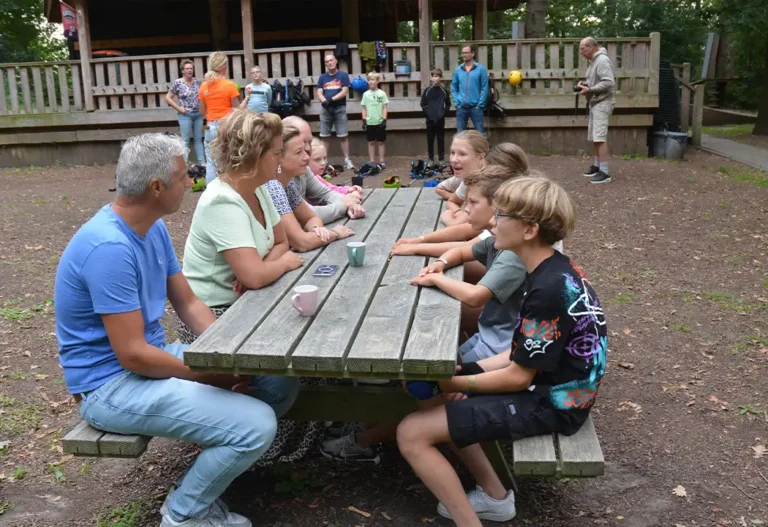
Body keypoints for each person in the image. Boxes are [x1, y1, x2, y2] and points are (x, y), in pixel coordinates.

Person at [55, 133, 298, 527]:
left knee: (277, 381)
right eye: (184, 176)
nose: (190, 182)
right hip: (110, 387)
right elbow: (132, 354)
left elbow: (188, 303)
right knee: (257, 424)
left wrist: (228, 354)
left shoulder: (152, 229)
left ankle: (220, 456)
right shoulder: (109, 248)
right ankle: (185, 513)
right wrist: (207, 373)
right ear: (156, 187)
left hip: (147, 364)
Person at [397, 176, 607, 526]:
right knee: (427, 388)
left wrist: (452, 384)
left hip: (553, 404)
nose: (492, 222)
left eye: (502, 215)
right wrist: (461, 375)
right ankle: (493, 495)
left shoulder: (547, 290)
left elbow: (518, 375)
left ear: (528, 229)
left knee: (411, 433)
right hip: (548, 388)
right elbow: (520, 355)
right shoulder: (550, 272)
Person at [180, 110, 304, 340]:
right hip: (214, 316)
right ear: (254, 156)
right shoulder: (222, 201)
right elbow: (255, 277)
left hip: (248, 300)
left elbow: (281, 241)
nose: (280, 160)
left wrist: (261, 267)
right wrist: (282, 264)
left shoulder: (258, 187)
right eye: (277, 153)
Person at [409, 165, 527, 362]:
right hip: (489, 334)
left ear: (496, 207)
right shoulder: (497, 239)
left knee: (427, 375)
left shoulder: (512, 251)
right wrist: (441, 262)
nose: (466, 208)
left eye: (472, 202)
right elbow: (461, 251)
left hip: (503, 345)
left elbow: (475, 297)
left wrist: (436, 279)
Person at [395, 142, 527, 258]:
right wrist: (419, 240)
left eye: (485, 169)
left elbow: (468, 246)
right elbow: (466, 229)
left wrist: (416, 247)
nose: (482, 173)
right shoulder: (507, 204)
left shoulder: (508, 217)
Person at [265, 125, 355, 253]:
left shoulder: (287, 183)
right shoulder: (272, 186)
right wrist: (335, 233)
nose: (307, 157)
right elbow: (301, 242)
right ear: (279, 158)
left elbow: (310, 218)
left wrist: (316, 229)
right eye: (298, 152)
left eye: (305, 151)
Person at [282, 115, 365, 222]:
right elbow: (309, 215)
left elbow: (325, 193)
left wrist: (350, 204)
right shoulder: (278, 181)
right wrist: (343, 205)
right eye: (300, 147)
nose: (308, 149)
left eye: (310, 142)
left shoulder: (303, 170)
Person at [578, 37, 616, 184]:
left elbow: (608, 82)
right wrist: (584, 84)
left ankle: (605, 172)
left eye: (582, 49)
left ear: (591, 47)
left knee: (600, 138)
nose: (581, 52)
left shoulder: (602, 61)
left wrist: (591, 89)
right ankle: (598, 165)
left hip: (603, 102)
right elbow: (595, 80)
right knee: (595, 137)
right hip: (595, 102)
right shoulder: (593, 62)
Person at [199, 52, 241, 184]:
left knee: (211, 162)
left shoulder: (204, 86)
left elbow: (202, 111)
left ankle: (210, 192)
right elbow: (237, 110)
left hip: (210, 126)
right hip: (226, 125)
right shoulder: (229, 85)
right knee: (228, 160)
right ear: (223, 67)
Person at [317, 54, 354, 170]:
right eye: (327, 61)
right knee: (325, 136)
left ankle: (347, 160)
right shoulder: (322, 77)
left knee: (343, 135)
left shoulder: (343, 75)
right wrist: (323, 101)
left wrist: (331, 100)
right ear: (325, 64)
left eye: (331, 60)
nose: (329, 63)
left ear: (336, 61)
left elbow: (344, 91)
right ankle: (324, 160)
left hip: (339, 109)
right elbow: (319, 91)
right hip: (326, 110)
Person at [166, 59, 204, 164]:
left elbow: (203, 96)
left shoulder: (197, 82)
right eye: (187, 69)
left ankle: (202, 164)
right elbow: (168, 98)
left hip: (198, 115)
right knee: (185, 142)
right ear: (183, 71)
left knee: (198, 140)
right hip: (185, 115)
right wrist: (179, 108)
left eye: (191, 68)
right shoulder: (178, 83)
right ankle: (185, 166)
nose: (189, 70)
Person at [451, 44, 489, 136]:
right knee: (460, 134)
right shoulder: (458, 70)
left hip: (476, 107)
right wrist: (457, 103)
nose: (464, 55)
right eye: (463, 53)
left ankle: (484, 151)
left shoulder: (480, 69)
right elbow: (454, 87)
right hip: (461, 107)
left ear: (472, 54)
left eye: (467, 52)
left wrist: (480, 104)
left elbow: (485, 87)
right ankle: (461, 151)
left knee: (481, 133)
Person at [421, 68, 451, 167]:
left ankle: (441, 159)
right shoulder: (427, 91)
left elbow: (448, 104)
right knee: (430, 140)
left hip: (440, 120)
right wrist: (428, 114)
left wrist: (442, 114)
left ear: (440, 78)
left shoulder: (444, 91)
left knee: (440, 139)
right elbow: (423, 104)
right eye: (433, 76)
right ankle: (431, 159)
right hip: (430, 120)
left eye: (437, 76)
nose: (435, 78)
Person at [360, 72, 389, 168]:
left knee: (380, 142)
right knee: (371, 142)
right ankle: (372, 161)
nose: (370, 82)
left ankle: (382, 160)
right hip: (370, 121)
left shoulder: (382, 94)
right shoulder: (365, 94)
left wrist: (384, 120)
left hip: (379, 121)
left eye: (372, 80)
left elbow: (384, 107)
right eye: (369, 80)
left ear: (377, 81)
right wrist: (364, 120)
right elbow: (364, 108)